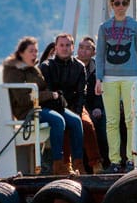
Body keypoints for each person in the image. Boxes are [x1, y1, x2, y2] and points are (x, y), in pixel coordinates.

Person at [3, 36, 84, 175]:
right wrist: (48, 95)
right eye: (31, 51)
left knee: (76, 121)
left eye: (36, 51)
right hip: (28, 111)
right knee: (58, 121)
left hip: (41, 106)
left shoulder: (32, 68)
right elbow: (22, 99)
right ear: (21, 52)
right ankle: (58, 164)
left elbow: (43, 87)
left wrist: (53, 96)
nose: (35, 54)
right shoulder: (13, 71)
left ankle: (78, 164)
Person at [96, 0, 137, 173]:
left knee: (131, 120)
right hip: (109, 78)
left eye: (124, 3)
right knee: (111, 121)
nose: (120, 6)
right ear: (111, 4)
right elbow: (99, 55)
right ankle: (115, 161)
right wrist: (98, 79)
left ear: (128, 5)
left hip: (132, 77)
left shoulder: (136, 26)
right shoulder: (104, 27)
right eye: (117, 3)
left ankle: (133, 159)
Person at [40, 33, 101, 172]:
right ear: (55, 47)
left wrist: (78, 111)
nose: (64, 48)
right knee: (65, 123)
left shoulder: (79, 66)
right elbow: (47, 91)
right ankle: (64, 164)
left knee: (86, 124)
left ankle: (92, 163)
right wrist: (63, 108)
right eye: (61, 45)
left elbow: (82, 93)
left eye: (68, 45)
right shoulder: (46, 66)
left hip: (76, 104)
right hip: (55, 106)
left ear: (73, 47)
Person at [77, 36, 108, 155]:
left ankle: (105, 160)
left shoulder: (99, 70)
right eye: (81, 47)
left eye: (87, 48)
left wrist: (98, 107)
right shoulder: (72, 66)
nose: (83, 51)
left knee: (103, 123)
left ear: (94, 52)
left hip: (95, 106)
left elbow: (101, 90)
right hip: (78, 106)